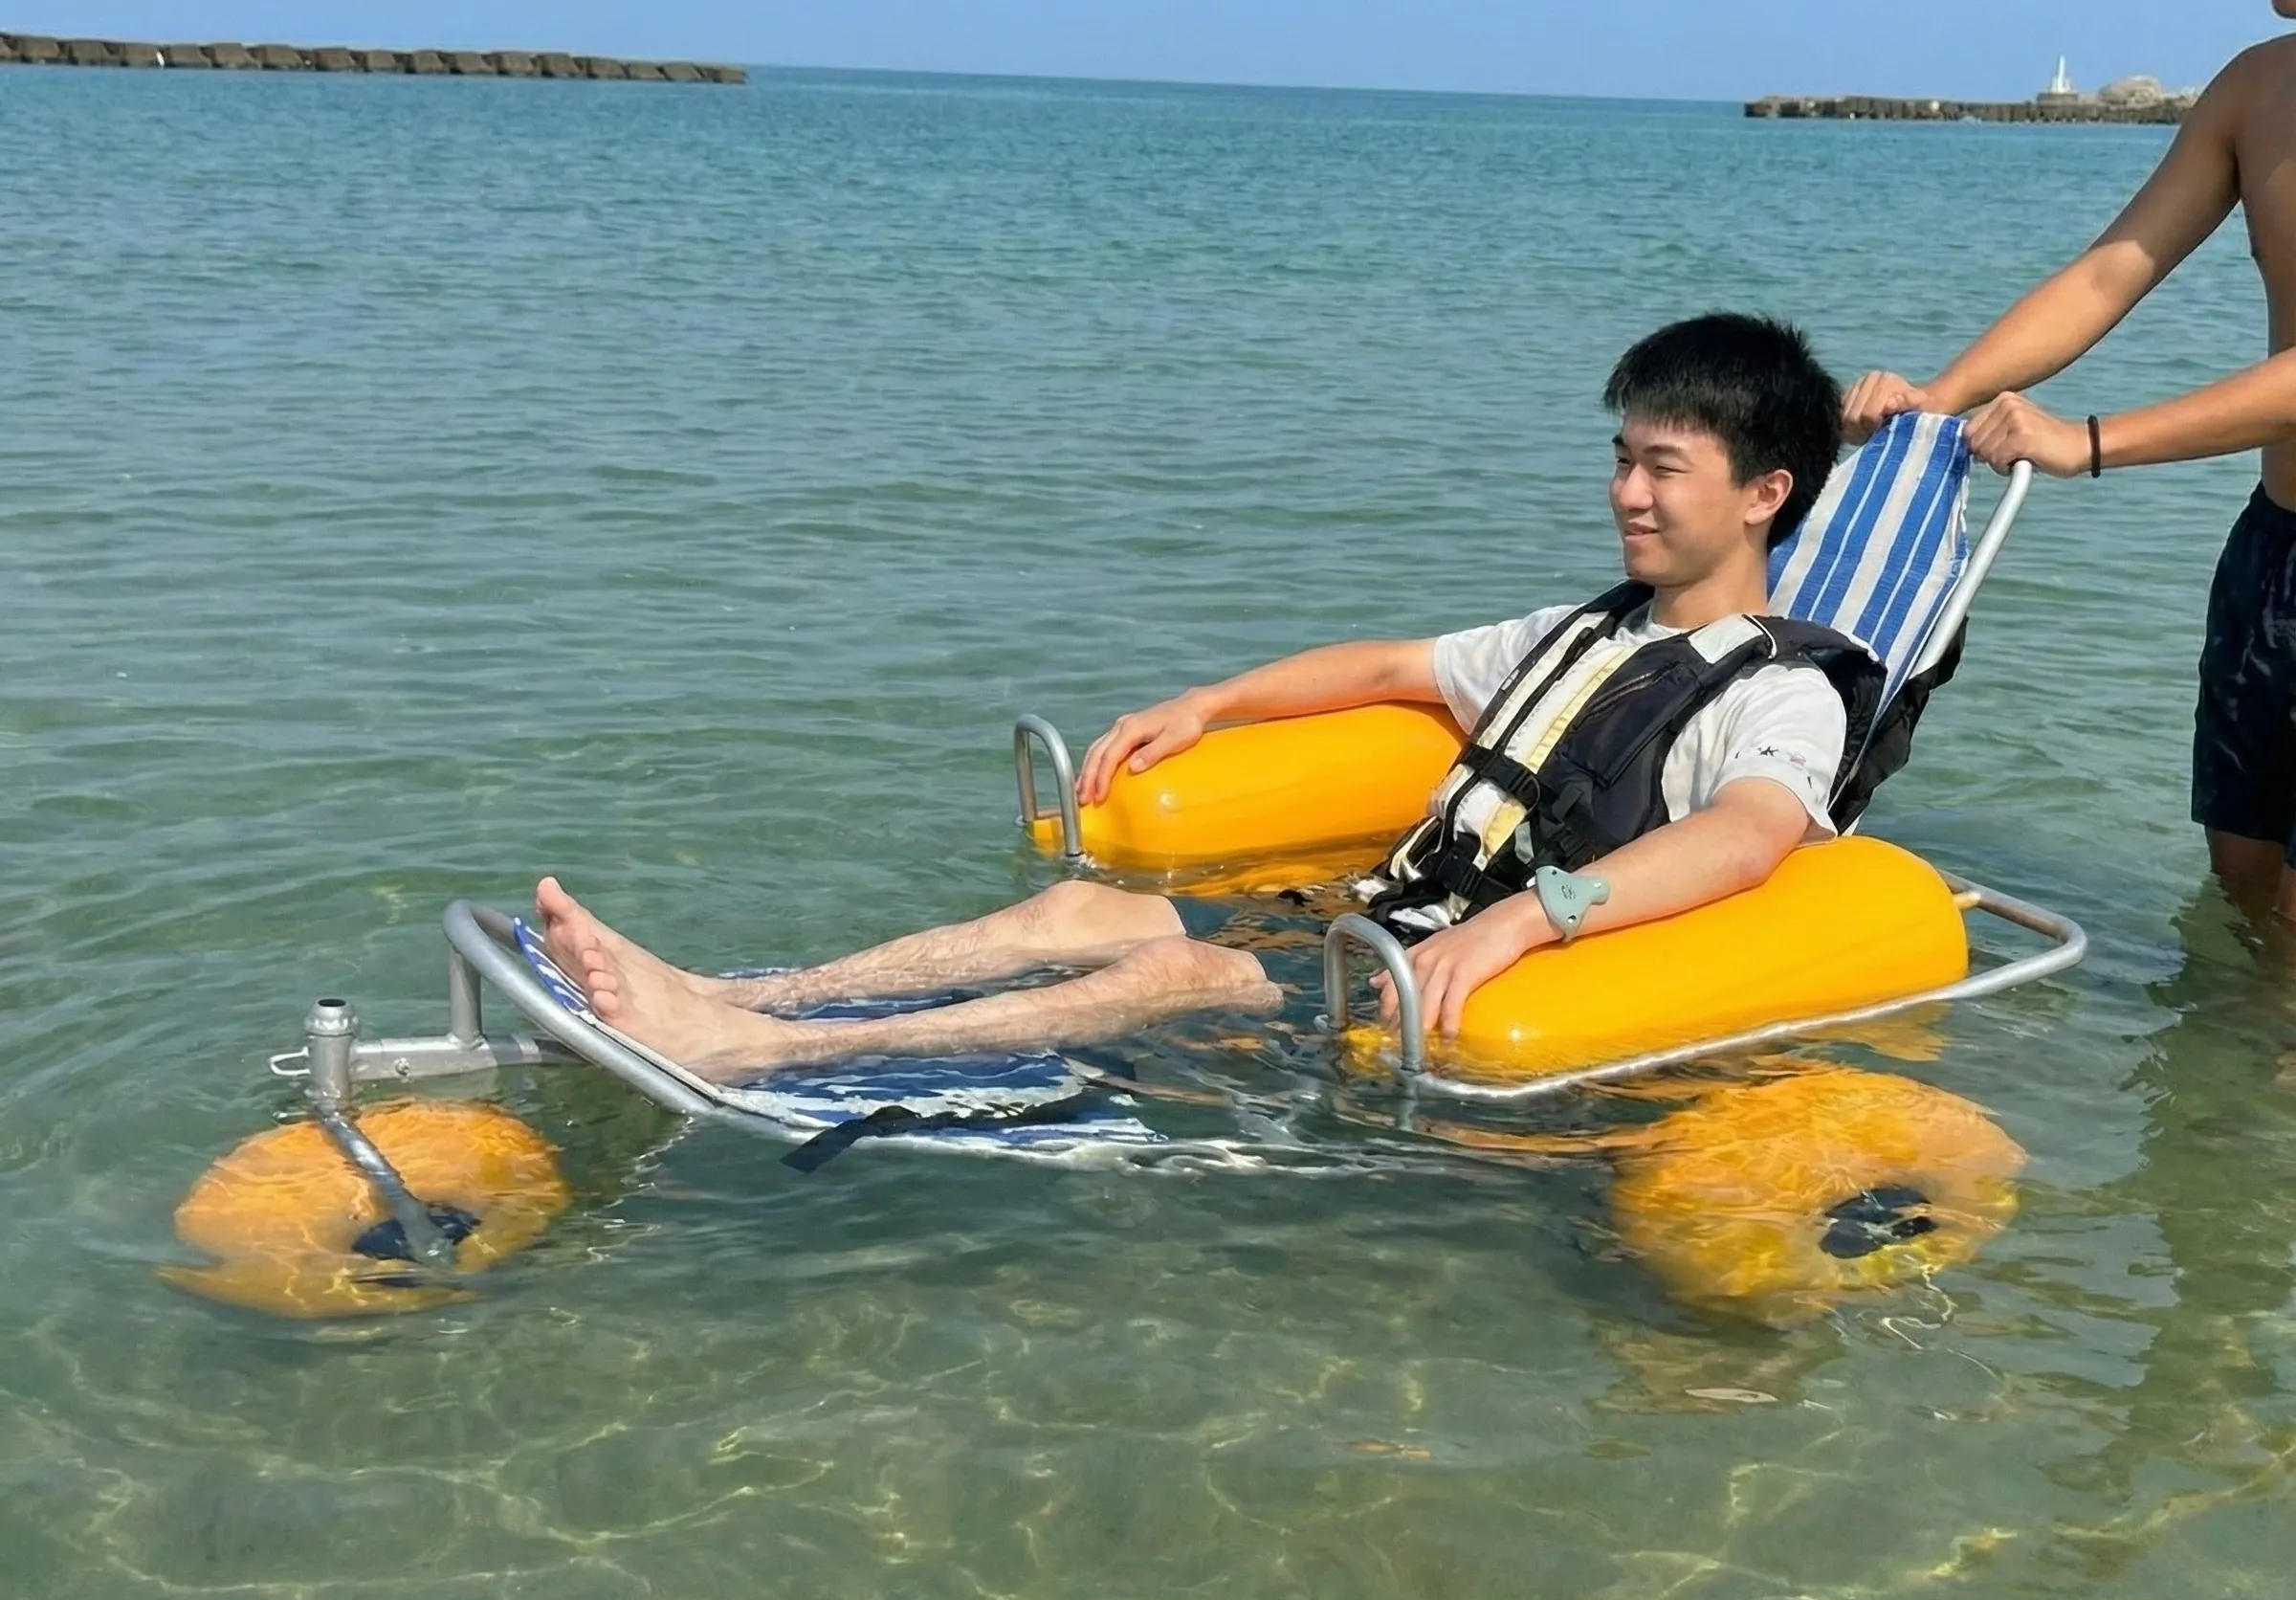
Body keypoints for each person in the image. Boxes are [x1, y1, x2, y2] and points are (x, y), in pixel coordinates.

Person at [534, 313, 1887, 1080]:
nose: (1625, 493)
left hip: (1446, 970)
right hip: (1369, 916)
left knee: (1172, 969)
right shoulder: (1589, 628)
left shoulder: (1782, 689)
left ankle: (760, 1055)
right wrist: (1208, 703)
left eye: (1662, 468)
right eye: (1621, 459)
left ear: (1763, 493)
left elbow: (1749, 834)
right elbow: (1388, 667)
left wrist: (1535, 917)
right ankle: (743, 993)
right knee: (1076, 910)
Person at [1843, 8, 2296, 918]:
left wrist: (2088, 441)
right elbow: (2107, 274)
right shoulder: (2257, 84)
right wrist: (1943, 396)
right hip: (2273, 549)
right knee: (2242, 888)